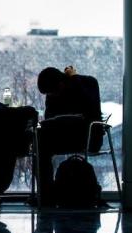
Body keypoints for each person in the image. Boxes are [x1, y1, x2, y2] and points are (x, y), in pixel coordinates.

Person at [36, 65, 103, 205]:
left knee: (43, 142)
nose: (52, 95)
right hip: (65, 136)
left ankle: (47, 197)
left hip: (88, 137)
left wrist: (75, 78)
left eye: (54, 91)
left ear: (62, 82)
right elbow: (49, 117)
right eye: (49, 94)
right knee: (40, 141)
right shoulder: (52, 94)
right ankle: (46, 196)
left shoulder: (88, 83)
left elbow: (92, 109)